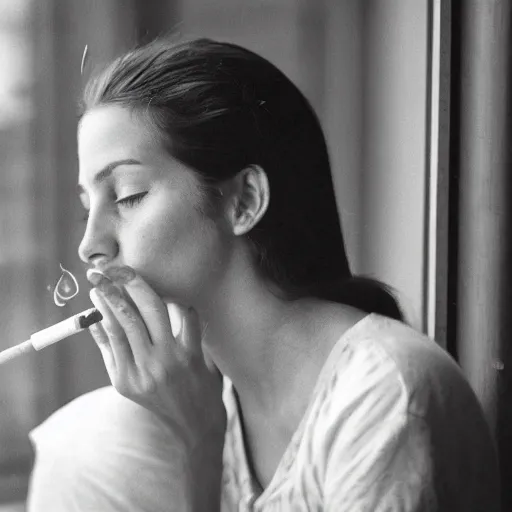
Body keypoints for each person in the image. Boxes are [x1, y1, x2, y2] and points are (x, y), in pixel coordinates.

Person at [27, 37, 500, 511]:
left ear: (244, 200)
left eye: (127, 195)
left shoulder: (384, 403)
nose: (90, 246)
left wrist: (199, 446)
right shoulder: (218, 403)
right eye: (89, 205)